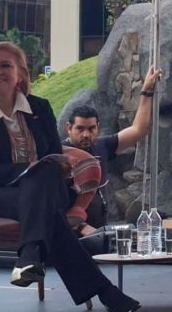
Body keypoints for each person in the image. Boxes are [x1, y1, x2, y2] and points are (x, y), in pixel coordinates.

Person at [0, 42, 141, 312]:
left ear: (21, 73)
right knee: (48, 210)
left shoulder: (39, 108)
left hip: (44, 190)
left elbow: (54, 155)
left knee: (44, 174)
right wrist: (28, 169)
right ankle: (101, 290)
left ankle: (30, 255)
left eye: (5, 65)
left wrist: (57, 167)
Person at [64, 66, 162, 232]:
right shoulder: (61, 154)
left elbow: (138, 130)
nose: (86, 134)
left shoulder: (101, 146)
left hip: (99, 228)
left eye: (91, 128)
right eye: (80, 129)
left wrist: (146, 91)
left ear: (98, 127)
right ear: (68, 128)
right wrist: (82, 228)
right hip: (70, 231)